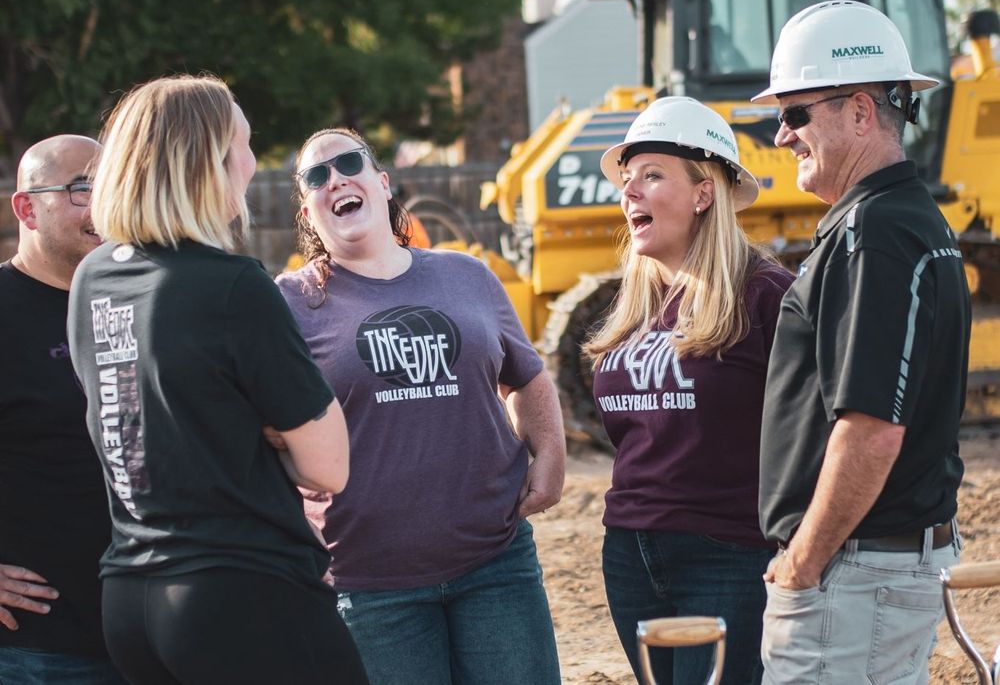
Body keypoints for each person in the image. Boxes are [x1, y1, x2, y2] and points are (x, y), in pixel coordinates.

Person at [66, 75, 369, 685]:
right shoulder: (232, 285)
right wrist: (271, 432)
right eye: (244, 145)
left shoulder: (92, 277)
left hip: (131, 599)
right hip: (241, 595)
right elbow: (328, 466)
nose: (253, 164)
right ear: (208, 162)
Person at [275, 127, 566, 685]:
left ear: (383, 183)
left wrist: (550, 449)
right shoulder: (286, 303)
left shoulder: (468, 276)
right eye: (316, 177)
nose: (334, 179)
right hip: (368, 585)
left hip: (496, 564)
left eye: (348, 164)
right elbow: (259, 428)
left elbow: (527, 377)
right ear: (309, 214)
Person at [751, 1, 970, 684]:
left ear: (859, 111)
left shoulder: (873, 233)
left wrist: (804, 561)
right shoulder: (901, 223)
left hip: (852, 573)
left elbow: (872, 429)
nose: (781, 135)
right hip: (867, 567)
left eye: (794, 113)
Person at [584, 96, 793, 685]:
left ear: (704, 193)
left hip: (727, 552)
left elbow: (816, 431)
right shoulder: (635, 307)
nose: (630, 192)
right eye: (628, 180)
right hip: (630, 553)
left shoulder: (768, 295)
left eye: (653, 176)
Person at [0, 135, 128, 684]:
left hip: (156, 628)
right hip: (41, 646)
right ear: (27, 207)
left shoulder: (135, 298)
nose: (100, 204)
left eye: (109, 186)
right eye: (82, 188)